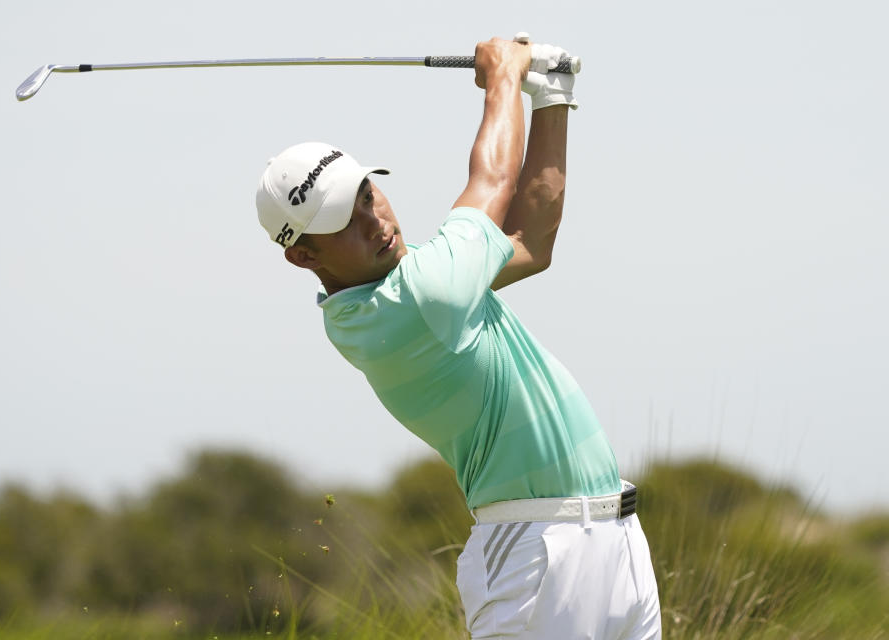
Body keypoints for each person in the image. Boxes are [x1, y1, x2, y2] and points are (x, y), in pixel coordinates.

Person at [255, 35, 661, 640]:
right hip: (534, 556)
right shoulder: (413, 301)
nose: (377, 222)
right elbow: (493, 182)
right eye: (346, 220)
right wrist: (504, 74)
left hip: (616, 538)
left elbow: (531, 241)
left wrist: (551, 96)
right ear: (304, 255)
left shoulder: (422, 275)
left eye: (368, 193)